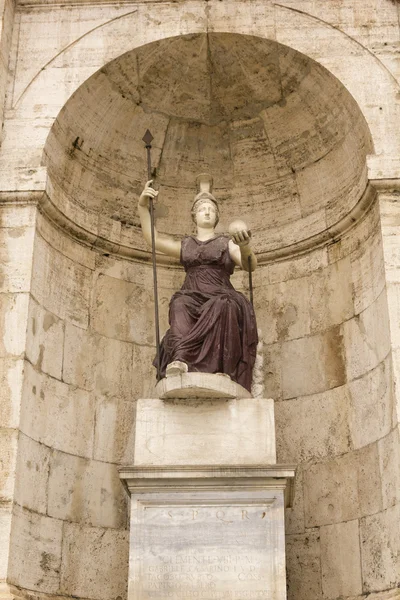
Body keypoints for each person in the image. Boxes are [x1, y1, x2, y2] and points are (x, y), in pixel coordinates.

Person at [138, 176, 258, 392]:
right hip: (192, 295)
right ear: (194, 216)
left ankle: (225, 368)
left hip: (220, 294)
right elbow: (152, 239)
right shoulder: (186, 245)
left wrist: (245, 246)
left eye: (211, 208)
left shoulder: (226, 243)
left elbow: (250, 265)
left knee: (224, 305)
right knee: (179, 303)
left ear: (217, 216)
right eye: (202, 208)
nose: (207, 211)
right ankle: (181, 360)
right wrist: (143, 207)